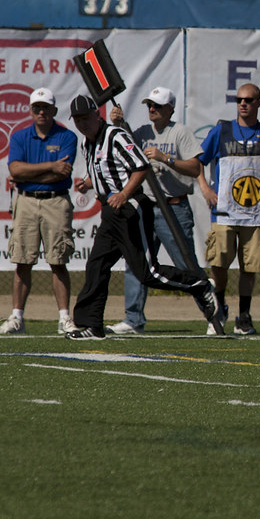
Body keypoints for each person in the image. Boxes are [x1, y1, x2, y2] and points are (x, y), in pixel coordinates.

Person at [65, 94, 223, 339]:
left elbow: (141, 166)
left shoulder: (115, 136)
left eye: (85, 117)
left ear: (98, 115)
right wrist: (88, 183)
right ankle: (91, 324)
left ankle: (199, 284)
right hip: (110, 212)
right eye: (77, 119)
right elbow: (105, 169)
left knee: (148, 272)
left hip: (131, 209)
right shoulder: (87, 143)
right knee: (96, 265)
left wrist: (124, 194)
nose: (82, 124)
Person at [106, 87, 203, 334]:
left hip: (174, 207)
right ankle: (133, 319)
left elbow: (194, 168)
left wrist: (165, 158)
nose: (152, 109)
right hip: (147, 208)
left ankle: (213, 311)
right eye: (149, 105)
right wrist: (118, 123)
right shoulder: (141, 132)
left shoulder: (180, 132)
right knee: (136, 261)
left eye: (157, 106)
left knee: (186, 263)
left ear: (170, 108)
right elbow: (121, 147)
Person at [197, 82, 260, 335]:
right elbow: (197, 162)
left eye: (248, 100)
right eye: (239, 100)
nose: (243, 104)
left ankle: (244, 317)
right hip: (224, 210)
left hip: (255, 213)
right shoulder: (222, 130)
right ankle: (219, 307)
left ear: (259, 103)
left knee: (250, 266)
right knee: (218, 264)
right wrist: (205, 188)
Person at [0, 87, 79, 335]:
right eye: (37, 108)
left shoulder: (67, 137)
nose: (41, 112)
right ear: (31, 110)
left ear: (54, 110)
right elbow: (15, 170)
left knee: (58, 260)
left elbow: (62, 171)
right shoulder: (20, 136)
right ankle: (17, 318)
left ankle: (64, 318)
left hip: (56, 201)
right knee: (22, 260)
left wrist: (29, 171)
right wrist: (49, 167)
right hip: (26, 201)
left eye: (46, 107)